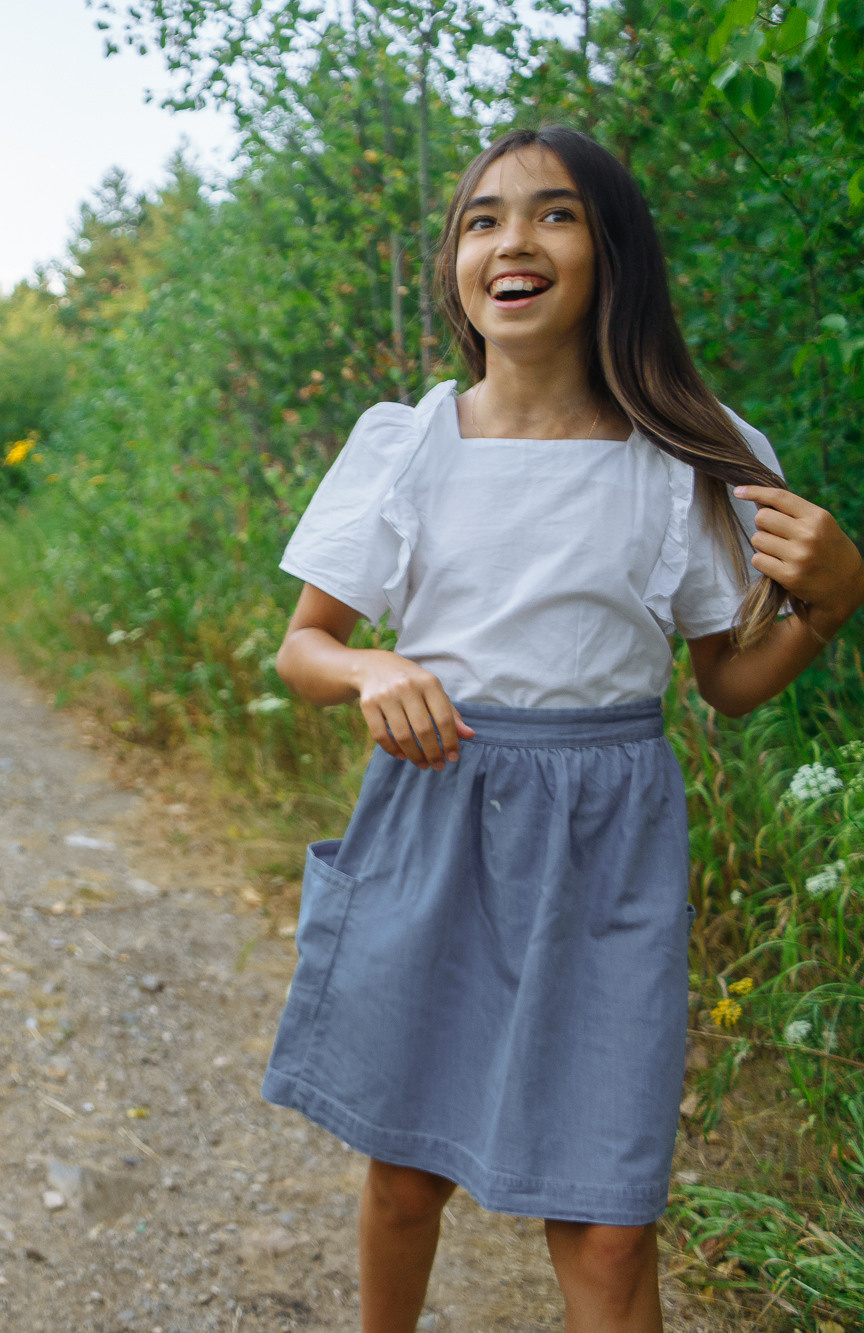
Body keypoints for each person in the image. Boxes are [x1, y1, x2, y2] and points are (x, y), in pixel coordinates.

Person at [260, 126, 864, 1333]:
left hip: (606, 841)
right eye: (480, 219)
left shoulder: (698, 455)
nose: (510, 241)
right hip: (437, 808)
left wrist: (830, 603)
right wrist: (372, 663)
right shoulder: (406, 440)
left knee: (603, 1219)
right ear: (454, 266)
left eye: (552, 214)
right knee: (404, 1169)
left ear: (610, 253)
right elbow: (301, 647)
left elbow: (724, 685)